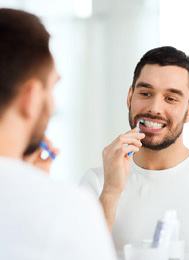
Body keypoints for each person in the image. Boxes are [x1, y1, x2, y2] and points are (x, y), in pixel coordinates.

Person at [0, 8, 116, 260]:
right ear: (30, 98)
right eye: (51, 87)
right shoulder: (67, 210)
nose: (52, 104)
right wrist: (35, 188)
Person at [81, 46, 189, 260]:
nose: (154, 108)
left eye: (171, 98)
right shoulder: (97, 182)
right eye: (145, 93)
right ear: (129, 97)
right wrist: (111, 192)